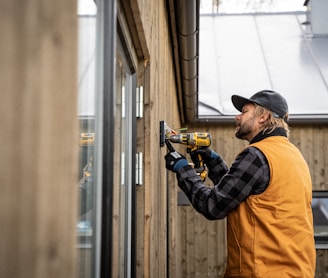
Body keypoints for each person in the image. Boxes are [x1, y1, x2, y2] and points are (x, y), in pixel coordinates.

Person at [165, 90, 316, 277]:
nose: (237, 117)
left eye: (244, 111)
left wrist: (182, 169)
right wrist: (214, 162)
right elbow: (242, 196)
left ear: (264, 117)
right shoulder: (293, 156)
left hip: (259, 272)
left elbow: (214, 205)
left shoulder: (256, 154)